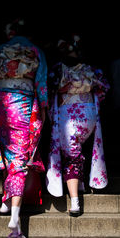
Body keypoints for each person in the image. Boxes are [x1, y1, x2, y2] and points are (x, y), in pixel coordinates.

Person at [0, 18, 48, 238]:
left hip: (0, 100)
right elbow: (41, 82)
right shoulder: (34, 50)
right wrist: (44, 107)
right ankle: (15, 222)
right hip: (22, 100)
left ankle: (7, 201)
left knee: (6, 152)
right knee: (19, 159)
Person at [46, 34, 109, 216]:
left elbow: (49, 89)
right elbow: (103, 87)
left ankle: (75, 201)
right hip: (87, 112)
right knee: (77, 150)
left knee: (72, 155)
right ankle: (79, 185)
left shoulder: (58, 69)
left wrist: (63, 90)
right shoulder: (92, 70)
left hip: (68, 114)